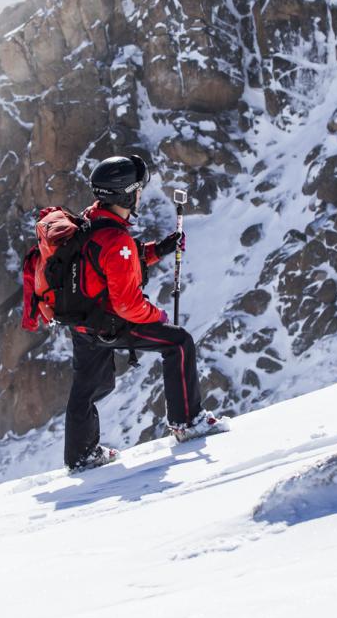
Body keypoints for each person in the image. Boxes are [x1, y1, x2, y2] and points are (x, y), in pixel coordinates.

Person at [63, 155, 226, 471]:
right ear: (126, 195)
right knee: (178, 343)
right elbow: (127, 304)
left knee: (86, 388)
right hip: (110, 322)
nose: (140, 194)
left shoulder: (89, 220)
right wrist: (158, 317)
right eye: (138, 189)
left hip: (83, 321)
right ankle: (188, 422)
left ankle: (81, 456)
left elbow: (110, 263)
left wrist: (158, 250)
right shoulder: (116, 239)